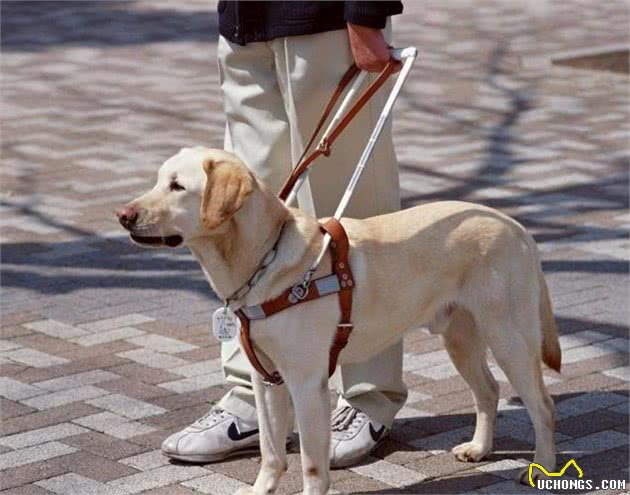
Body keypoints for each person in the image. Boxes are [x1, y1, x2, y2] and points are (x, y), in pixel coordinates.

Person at [162, 0, 406, 468]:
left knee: (353, 215)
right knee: (239, 209)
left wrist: (367, 11)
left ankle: (369, 395)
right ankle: (254, 394)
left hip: (328, 19)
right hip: (244, 20)